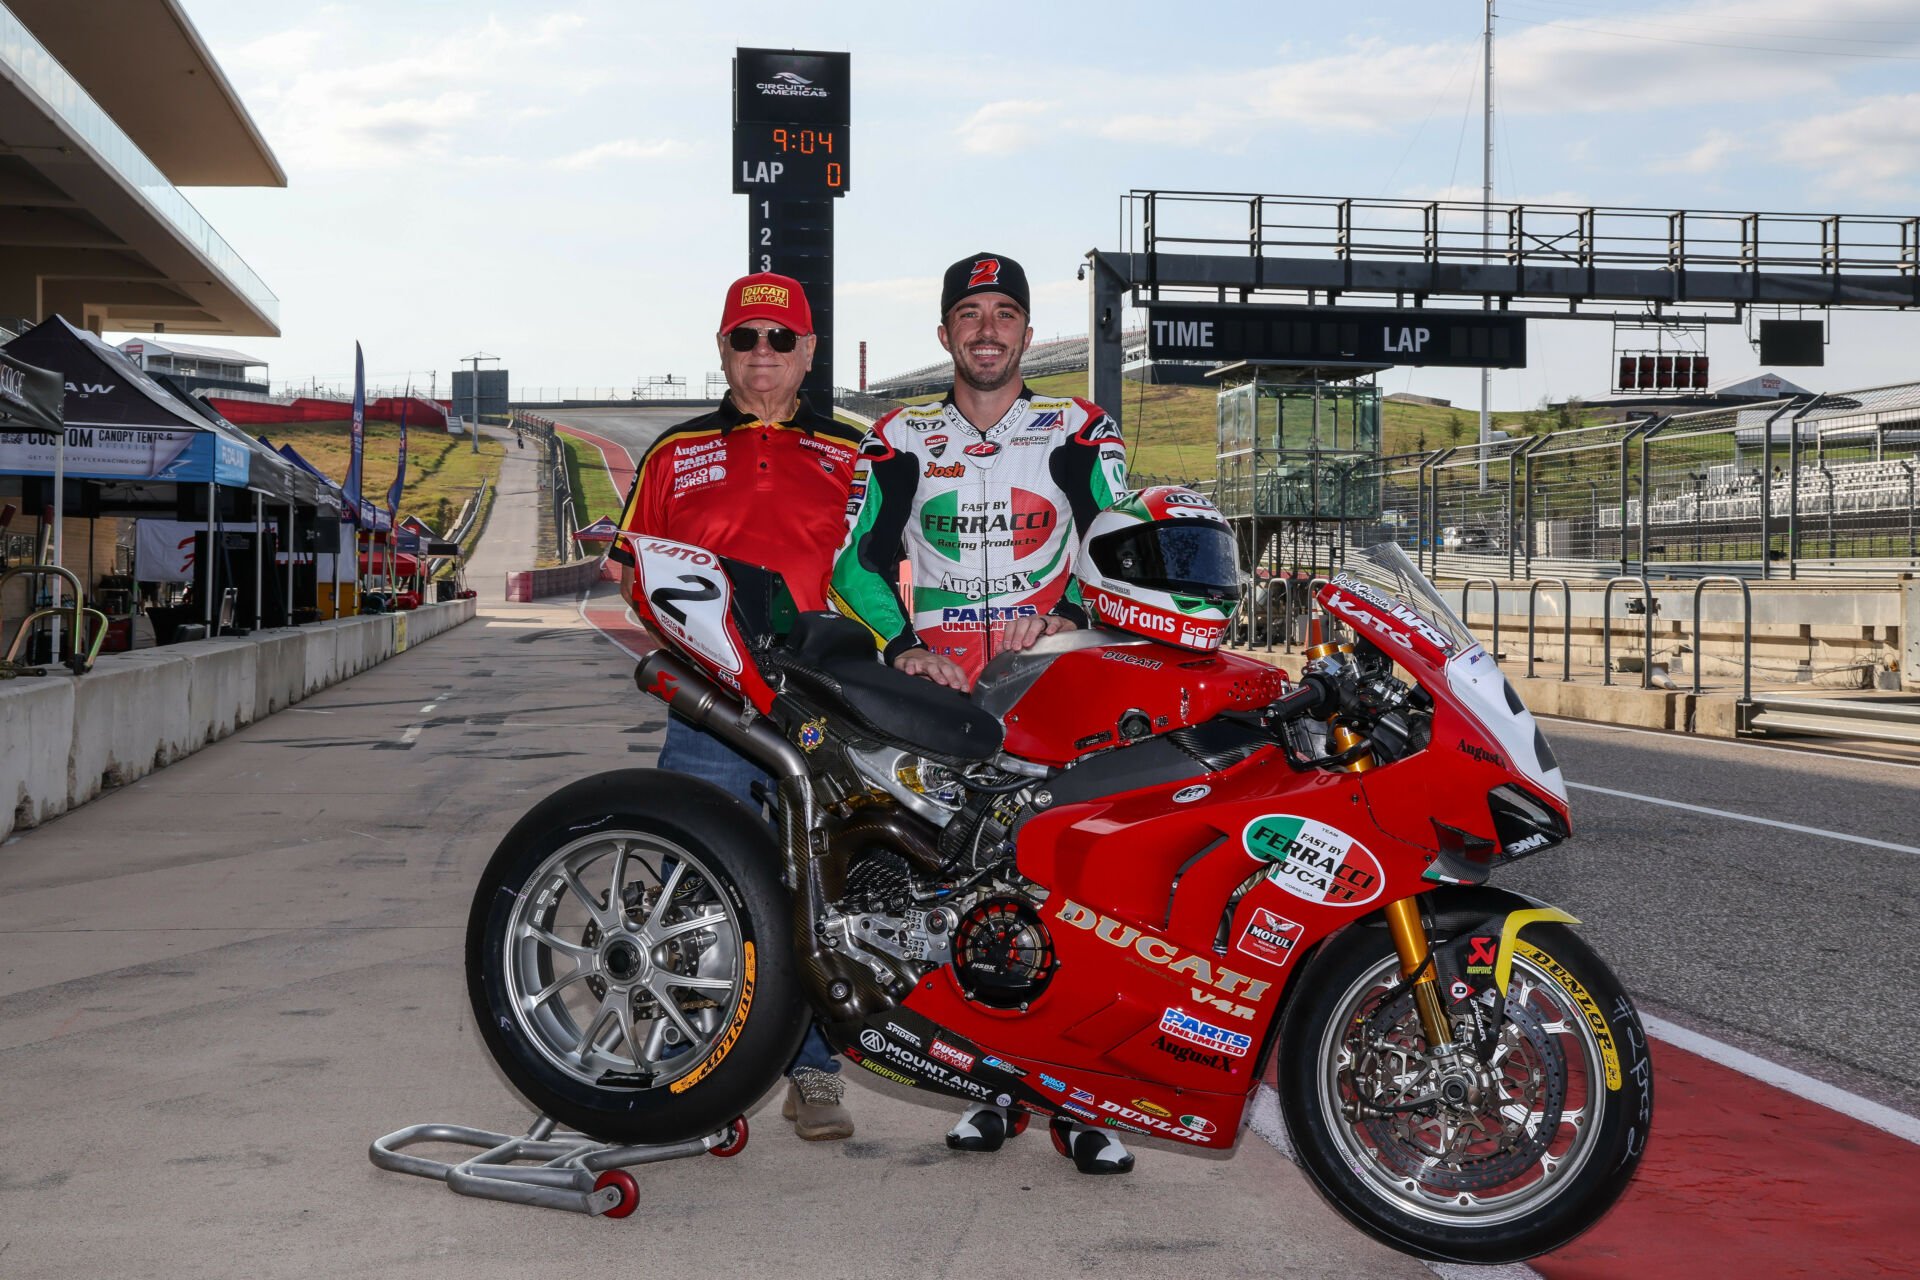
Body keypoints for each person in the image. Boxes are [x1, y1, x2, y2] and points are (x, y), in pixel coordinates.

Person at [828, 253, 1135, 1173]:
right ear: (945, 334)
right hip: (946, 698)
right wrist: (899, 648)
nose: (988, 329)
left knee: (1076, 894)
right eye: (971, 314)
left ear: (1028, 333)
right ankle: (992, 1088)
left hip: (1059, 685)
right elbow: (855, 565)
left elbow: (1120, 544)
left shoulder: (1080, 429)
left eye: (1005, 313)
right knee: (965, 894)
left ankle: (1086, 1103)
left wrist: (1073, 617)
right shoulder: (901, 434)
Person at [608, 270, 862, 1142]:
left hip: (817, 707)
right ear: (722, 350)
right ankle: (690, 1072)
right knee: (693, 888)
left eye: (780, 340)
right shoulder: (673, 453)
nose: (763, 357)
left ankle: (814, 1073)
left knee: (814, 888)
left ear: (808, 353)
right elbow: (631, 575)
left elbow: (877, 578)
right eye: (745, 340)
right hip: (712, 707)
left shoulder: (852, 452)